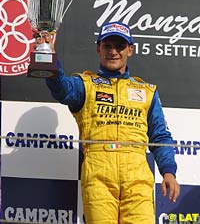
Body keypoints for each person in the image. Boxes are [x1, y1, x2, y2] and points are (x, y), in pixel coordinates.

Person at [45, 21, 180, 224]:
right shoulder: (85, 85)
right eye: (108, 46)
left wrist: (168, 171)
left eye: (120, 46)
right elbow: (61, 89)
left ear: (130, 50)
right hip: (98, 172)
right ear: (98, 48)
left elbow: (160, 136)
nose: (113, 52)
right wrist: (49, 57)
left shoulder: (146, 91)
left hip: (137, 174)